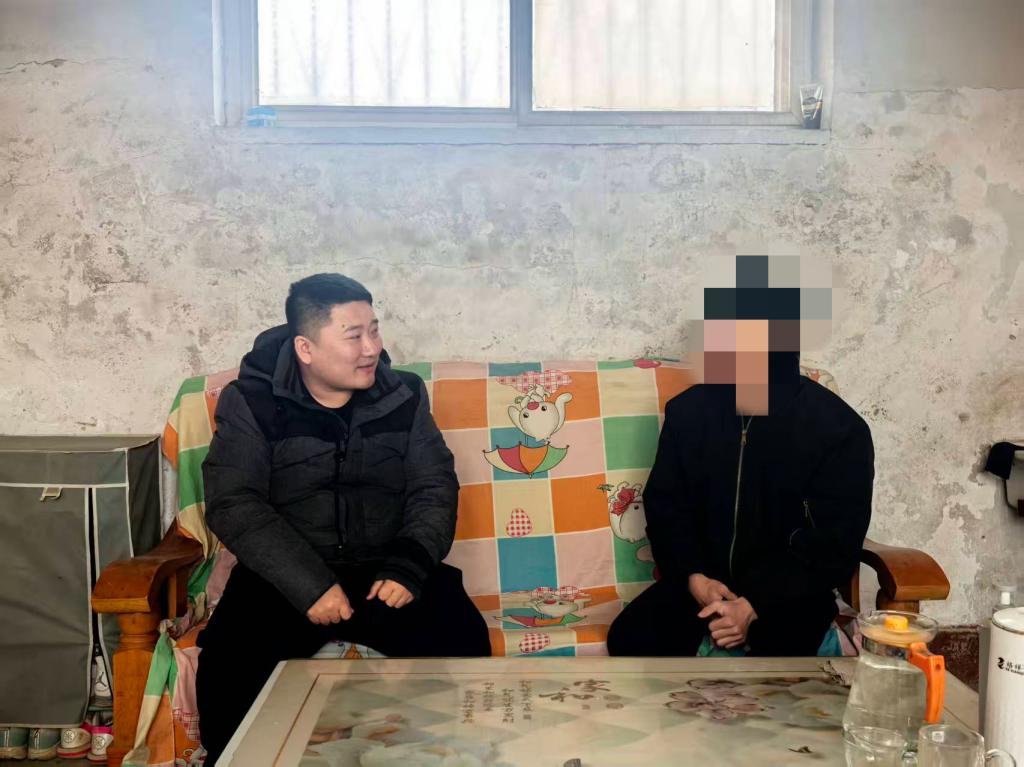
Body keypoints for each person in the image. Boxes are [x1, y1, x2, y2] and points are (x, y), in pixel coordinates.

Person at [195, 273, 490, 764]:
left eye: (374, 330)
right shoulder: (251, 401)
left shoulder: (404, 395)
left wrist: (409, 567)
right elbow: (234, 502)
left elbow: (433, 486)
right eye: (354, 336)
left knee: (462, 646)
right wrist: (310, 585)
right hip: (285, 576)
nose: (371, 348)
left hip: (385, 571)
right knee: (228, 681)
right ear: (306, 348)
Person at [607, 254, 874, 657]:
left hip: (789, 595)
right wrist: (695, 579)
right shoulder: (688, 413)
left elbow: (835, 544)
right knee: (632, 637)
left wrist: (753, 605)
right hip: (698, 588)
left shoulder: (839, 430)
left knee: (780, 658)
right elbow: (667, 507)